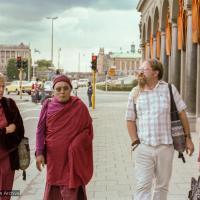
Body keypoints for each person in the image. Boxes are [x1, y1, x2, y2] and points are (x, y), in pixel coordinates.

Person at [125, 59, 194, 200]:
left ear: (155, 73)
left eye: (144, 69)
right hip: (143, 147)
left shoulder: (169, 89)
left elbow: (182, 113)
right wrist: (135, 143)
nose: (140, 72)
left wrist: (188, 139)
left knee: (162, 186)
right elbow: (130, 119)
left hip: (165, 147)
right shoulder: (135, 92)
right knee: (142, 186)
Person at [35, 75, 93, 200]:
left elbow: (88, 130)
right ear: (54, 91)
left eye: (65, 88)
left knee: (71, 188)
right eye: (58, 89)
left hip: (73, 159)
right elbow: (40, 130)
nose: (62, 92)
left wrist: (77, 144)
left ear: (71, 89)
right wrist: (39, 152)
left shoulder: (79, 106)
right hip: (54, 158)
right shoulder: (48, 106)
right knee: (54, 186)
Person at [0, 73, 24, 200]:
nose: (1, 90)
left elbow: (19, 127)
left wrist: (13, 128)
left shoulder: (9, 104)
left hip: (8, 156)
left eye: (3, 86)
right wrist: (5, 130)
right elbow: (10, 128)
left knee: (5, 192)